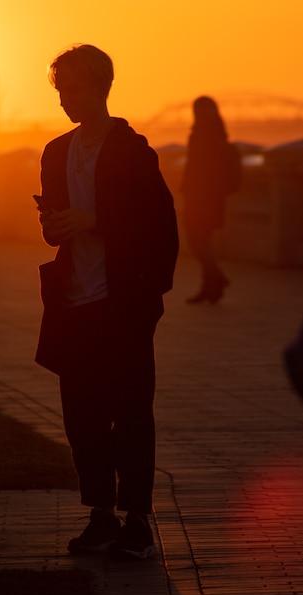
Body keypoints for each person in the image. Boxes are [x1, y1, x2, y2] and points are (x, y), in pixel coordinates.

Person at [34, 44, 178, 560]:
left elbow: (160, 229)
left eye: (71, 88)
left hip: (122, 305)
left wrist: (95, 221)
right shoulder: (55, 152)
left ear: (100, 86)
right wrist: (54, 225)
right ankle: (102, 514)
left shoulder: (132, 150)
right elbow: (56, 229)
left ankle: (137, 520)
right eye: (59, 90)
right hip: (74, 305)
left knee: (132, 411)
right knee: (83, 416)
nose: (64, 99)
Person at [181, 96, 233, 303]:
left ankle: (217, 277)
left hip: (201, 198)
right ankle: (210, 287)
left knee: (197, 240)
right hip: (211, 198)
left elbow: (198, 168)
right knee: (203, 240)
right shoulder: (218, 134)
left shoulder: (203, 135)